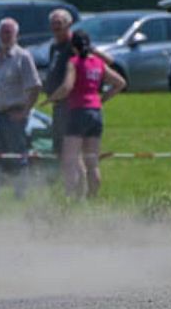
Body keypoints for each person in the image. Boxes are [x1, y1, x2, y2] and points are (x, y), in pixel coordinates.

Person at [49, 29, 126, 198]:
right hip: (95, 113)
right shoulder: (98, 63)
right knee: (92, 162)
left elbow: (67, 87)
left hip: (77, 112)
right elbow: (120, 83)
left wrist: (51, 99)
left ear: (73, 47)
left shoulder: (74, 62)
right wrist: (101, 99)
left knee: (69, 159)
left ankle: (71, 197)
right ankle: (92, 198)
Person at [0, 16, 41, 196]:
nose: (5, 36)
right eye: (3, 32)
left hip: (14, 115)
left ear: (16, 35)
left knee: (17, 156)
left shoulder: (23, 56)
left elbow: (35, 86)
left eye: (9, 33)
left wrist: (25, 112)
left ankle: (21, 193)